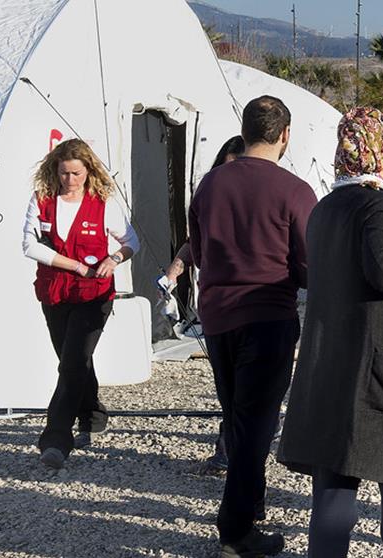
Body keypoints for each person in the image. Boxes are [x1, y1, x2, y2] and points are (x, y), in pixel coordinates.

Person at [277, 107, 383, 557]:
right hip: (382, 366)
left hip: (333, 358)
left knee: (334, 483)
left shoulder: (326, 207)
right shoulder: (379, 204)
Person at [188, 95, 318, 557]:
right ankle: (236, 530)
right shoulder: (295, 190)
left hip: (218, 315)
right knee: (257, 424)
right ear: (285, 135)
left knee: (237, 416)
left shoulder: (210, 185)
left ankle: (250, 502)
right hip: (267, 313)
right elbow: (309, 264)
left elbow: (198, 252)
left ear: (244, 131)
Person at [23, 139, 140, 470]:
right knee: (72, 358)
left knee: (73, 362)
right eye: (63, 173)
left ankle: (56, 439)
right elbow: (28, 245)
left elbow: (131, 241)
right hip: (56, 293)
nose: (69, 180)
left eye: (76, 173)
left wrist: (115, 258)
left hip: (93, 296)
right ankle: (93, 413)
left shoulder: (103, 204)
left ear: (88, 172)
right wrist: (74, 265)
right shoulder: (42, 201)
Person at [158, 135, 246, 476]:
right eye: (227, 168)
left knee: (244, 385)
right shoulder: (209, 200)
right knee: (227, 385)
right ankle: (231, 448)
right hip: (218, 306)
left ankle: (233, 451)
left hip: (255, 305)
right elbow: (194, 244)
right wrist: (174, 271)